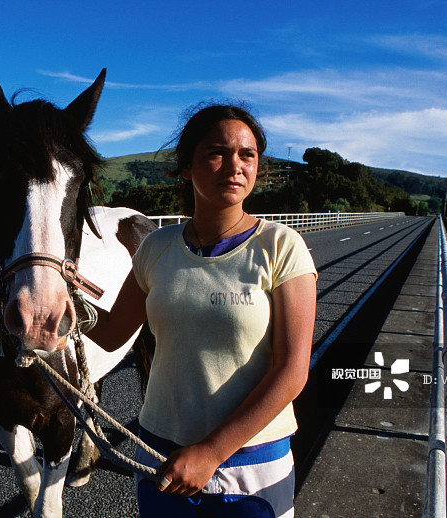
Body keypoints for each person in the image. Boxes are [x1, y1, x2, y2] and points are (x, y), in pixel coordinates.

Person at [87, 103, 317, 517]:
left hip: (251, 463)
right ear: (187, 166)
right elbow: (109, 333)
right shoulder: (156, 247)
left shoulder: (281, 247)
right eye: (217, 152)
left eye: (247, 155)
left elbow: (292, 370)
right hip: (161, 454)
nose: (234, 165)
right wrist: (58, 303)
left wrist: (212, 451)